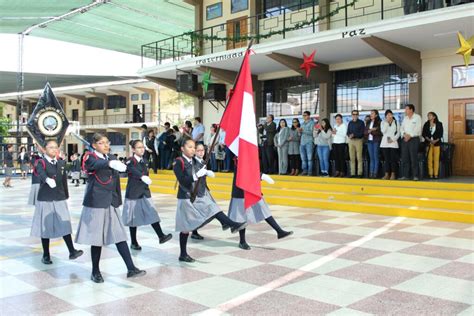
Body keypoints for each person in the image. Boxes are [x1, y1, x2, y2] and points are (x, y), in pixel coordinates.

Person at [75, 133, 146, 283]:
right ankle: (95, 271)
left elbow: (124, 168)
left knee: (119, 236)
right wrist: (109, 164)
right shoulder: (89, 157)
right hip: (97, 202)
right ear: (94, 145)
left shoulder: (110, 157)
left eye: (107, 143)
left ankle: (131, 268)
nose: (106, 145)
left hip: (111, 202)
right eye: (101, 143)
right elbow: (92, 165)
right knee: (97, 239)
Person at [173, 139, 246, 262]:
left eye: (193, 147)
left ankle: (230, 223)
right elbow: (183, 180)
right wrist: (197, 175)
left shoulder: (196, 161)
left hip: (198, 195)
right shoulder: (178, 162)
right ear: (182, 149)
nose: (192, 149)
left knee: (213, 208)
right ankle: (183, 254)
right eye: (190, 147)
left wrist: (206, 172)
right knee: (185, 228)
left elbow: (201, 175)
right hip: (186, 197)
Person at [30, 139, 83, 265]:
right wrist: (47, 179)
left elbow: (64, 181)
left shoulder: (61, 163)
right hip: (46, 198)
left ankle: (72, 251)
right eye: (51, 147)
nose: (54, 149)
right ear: (45, 149)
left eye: (56, 147)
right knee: (45, 228)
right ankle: (46, 255)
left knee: (65, 224)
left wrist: (66, 195)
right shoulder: (40, 162)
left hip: (59, 197)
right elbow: (40, 174)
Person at [228, 157, 293, 250]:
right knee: (241, 217)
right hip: (241, 190)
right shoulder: (239, 156)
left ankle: (279, 231)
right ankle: (242, 241)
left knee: (263, 209)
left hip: (251, 188)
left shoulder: (248, 152)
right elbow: (244, 171)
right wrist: (261, 176)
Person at [122, 140, 172, 250]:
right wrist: (141, 176)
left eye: (142, 147)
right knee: (133, 219)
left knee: (152, 213)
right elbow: (131, 169)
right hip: (134, 193)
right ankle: (134, 242)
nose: (141, 149)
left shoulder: (145, 161)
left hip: (144, 192)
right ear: (133, 150)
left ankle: (161, 236)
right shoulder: (131, 161)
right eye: (139, 147)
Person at [400, 104, 422, 180]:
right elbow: (401, 128)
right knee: (405, 158)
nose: (405, 111)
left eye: (406, 109)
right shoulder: (405, 118)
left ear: (411, 110)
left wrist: (410, 135)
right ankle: (406, 175)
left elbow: (418, 129)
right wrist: (404, 134)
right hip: (405, 139)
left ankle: (415, 175)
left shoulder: (417, 117)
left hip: (414, 139)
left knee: (413, 158)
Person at [422, 112, 444, 179]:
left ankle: (436, 174)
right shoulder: (426, 124)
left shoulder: (439, 124)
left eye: (430, 115)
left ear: (434, 117)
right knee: (429, 159)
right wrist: (429, 140)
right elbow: (423, 134)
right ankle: (430, 174)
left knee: (436, 159)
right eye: (428, 115)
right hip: (428, 143)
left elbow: (440, 134)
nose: (428, 116)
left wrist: (435, 140)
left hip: (437, 143)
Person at [380, 110, 400, 180]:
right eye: (387, 115)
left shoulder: (396, 122)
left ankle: (393, 174)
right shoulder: (383, 122)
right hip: (385, 143)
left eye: (390, 114)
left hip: (393, 143)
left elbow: (398, 133)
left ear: (392, 115)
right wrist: (386, 123)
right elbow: (383, 131)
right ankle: (386, 174)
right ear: (385, 116)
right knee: (386, 160)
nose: (389, 116)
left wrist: (393, 139)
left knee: (393, 159)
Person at [346, 110, 365, 178]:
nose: (355, 115)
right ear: (352, 115)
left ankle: (360, 173)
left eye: (356, 114)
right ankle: (352, 173)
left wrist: (354, 135)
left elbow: (362, 133)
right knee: (352, 158)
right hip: (351, 141)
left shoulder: (361, 122)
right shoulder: (350, 123)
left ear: (358, 115)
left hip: (358, 140)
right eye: (353, 114)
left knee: (359, 158)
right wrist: (349, 135)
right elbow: (347, 132)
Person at [365, 110, 382, 178]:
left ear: (376, 115)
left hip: (376, 141)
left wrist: (371, 131)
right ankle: (371, 173)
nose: (371, 115)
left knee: (376, 157)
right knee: (371, 158)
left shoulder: (379, 122)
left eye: (372, 113)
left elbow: (380, 132)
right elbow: (365, 131)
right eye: (370, 113)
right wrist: (370, 131)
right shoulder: (368, 122)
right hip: (369, 141)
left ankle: (375, 173)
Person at [298, 111, 315, 176]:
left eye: (305, 115)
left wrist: (303, 131)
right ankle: (304, 171)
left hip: (309, 142)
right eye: (303, 115)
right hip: (302, 142)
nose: (304, 116)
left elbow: (312, 133)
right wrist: (299, 132)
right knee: (303, 158)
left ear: (308, 116)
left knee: (309, 158)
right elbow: (300, 134)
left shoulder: (312, 123)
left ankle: (310, 172)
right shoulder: (302, 123)